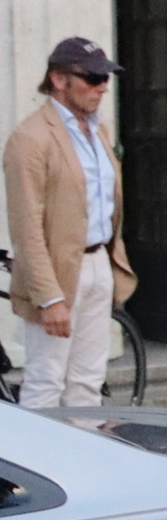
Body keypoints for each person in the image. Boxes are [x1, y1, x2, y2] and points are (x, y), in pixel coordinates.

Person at [5, 38, 136, 410]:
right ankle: (31, 467)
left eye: (105, 78)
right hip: (58, 273)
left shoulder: (99, 132)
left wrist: (113, 261)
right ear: (59, 80)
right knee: (46, 381)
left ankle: (83, 463)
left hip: (97, 262)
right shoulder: (30, 138)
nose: (102, 87)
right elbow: (26, 227)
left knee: (88, 383)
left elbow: (105, 202)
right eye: (92, 78)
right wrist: (50, 297)